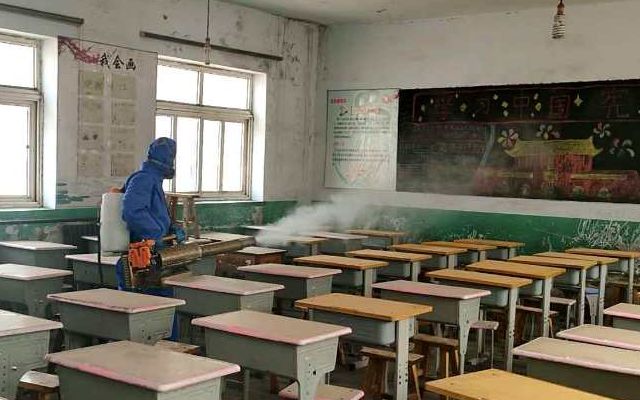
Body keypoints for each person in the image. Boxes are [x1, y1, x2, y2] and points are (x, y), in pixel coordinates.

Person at [116, 137, 186, 293]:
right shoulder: (144, 179)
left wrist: (171, 229)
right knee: (147, 305)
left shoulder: (153, 180)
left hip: (152, 257)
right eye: (171, 157)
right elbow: (132, 211)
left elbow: (155, 213)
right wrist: (156, 234)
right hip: (140, 260)